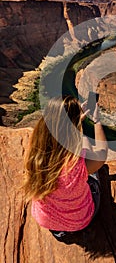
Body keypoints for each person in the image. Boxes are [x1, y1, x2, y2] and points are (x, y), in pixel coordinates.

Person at [23, 95, 108, 240]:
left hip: (46, 221)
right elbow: (102, 153)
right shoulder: (77, 163)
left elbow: (58, 130)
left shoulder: (35, 155)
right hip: (79, 221)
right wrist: (97, 121)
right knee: (87, 145)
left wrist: (73, 120)